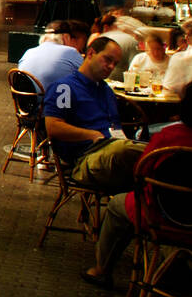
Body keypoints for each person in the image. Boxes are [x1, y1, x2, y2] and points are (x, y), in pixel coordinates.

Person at [82, 73, 192, 289]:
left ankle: (101, 270)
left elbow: (141, 177)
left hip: (160, 221)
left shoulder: (168, 138)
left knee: (117, 205)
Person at [43, 36, 147, 194]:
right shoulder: (65, 88)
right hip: (86, 160)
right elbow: (53, 127)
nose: (111, 66)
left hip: (113, 153)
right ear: (90, 53)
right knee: (142, 154)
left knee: (154, 163)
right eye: (107, 59)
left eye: (115, 64)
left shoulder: (106, 90)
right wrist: (93, 135)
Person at [18, 20, 89, 101]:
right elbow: (88, 78)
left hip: (28, 107)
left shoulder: (28, 52)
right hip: (58, 108)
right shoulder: (70, 52)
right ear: (66, 37)